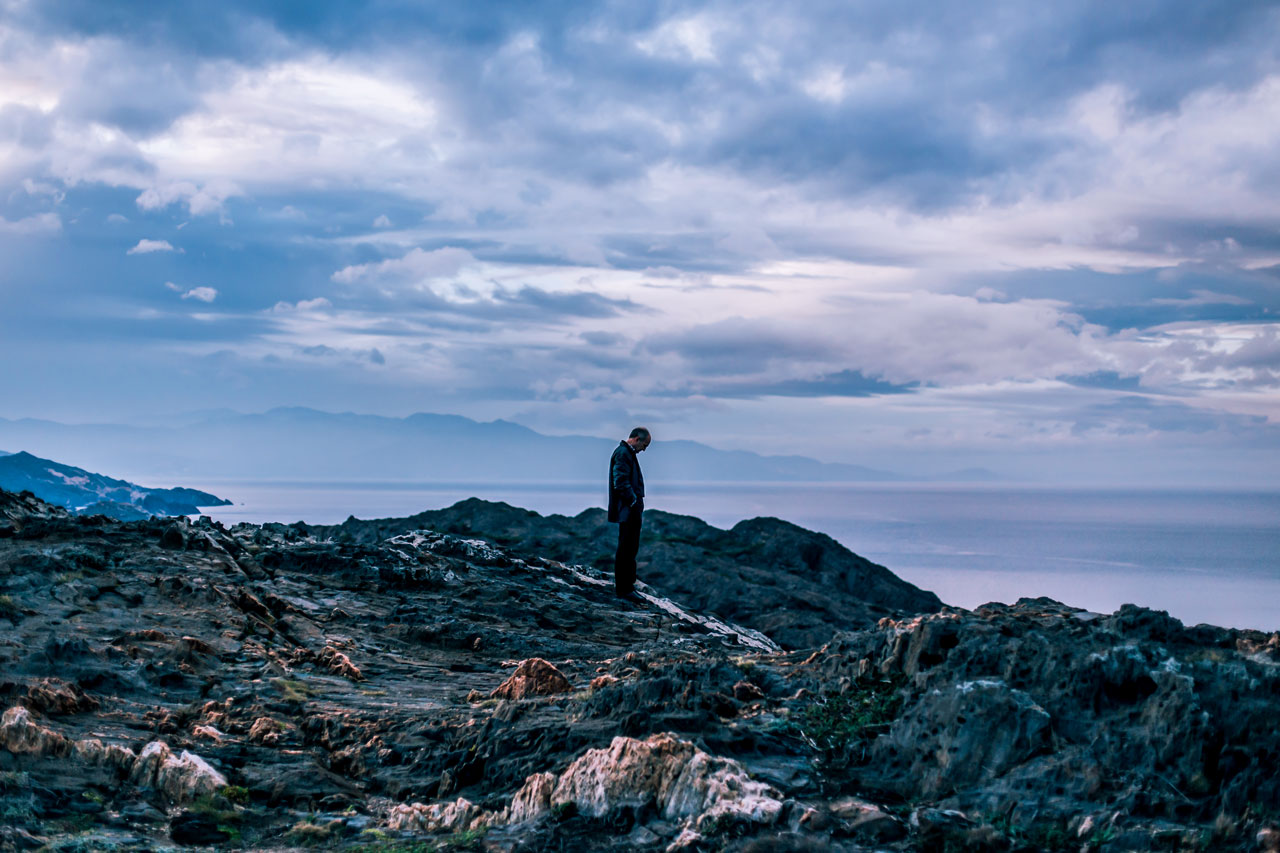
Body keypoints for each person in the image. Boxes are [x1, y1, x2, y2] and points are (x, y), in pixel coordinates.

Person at [608, 426, 651, 600]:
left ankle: (628, 586)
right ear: (636, 439)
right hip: (628, 510)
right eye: (645, 445)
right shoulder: (623, 453)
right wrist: (633, 501)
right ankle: (624, 589)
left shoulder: (626, 452)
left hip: (630, 509)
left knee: (630, 547)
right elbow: (620, 481)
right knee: (626, 548)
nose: (644, 449)